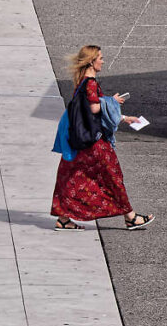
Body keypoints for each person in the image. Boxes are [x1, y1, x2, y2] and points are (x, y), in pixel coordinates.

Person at [51, 45, 155, 231]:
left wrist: (124, 117)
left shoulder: (82, 81)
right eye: (100, 58)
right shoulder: (90, 83)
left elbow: (91, 107)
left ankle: (63, 218)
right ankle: (130, 217)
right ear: (92, 61)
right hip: (94, 142)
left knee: (72, 177)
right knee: (112, 176)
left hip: (79, 140)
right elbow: (93, 108)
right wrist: (112, 101)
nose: (103, 61)